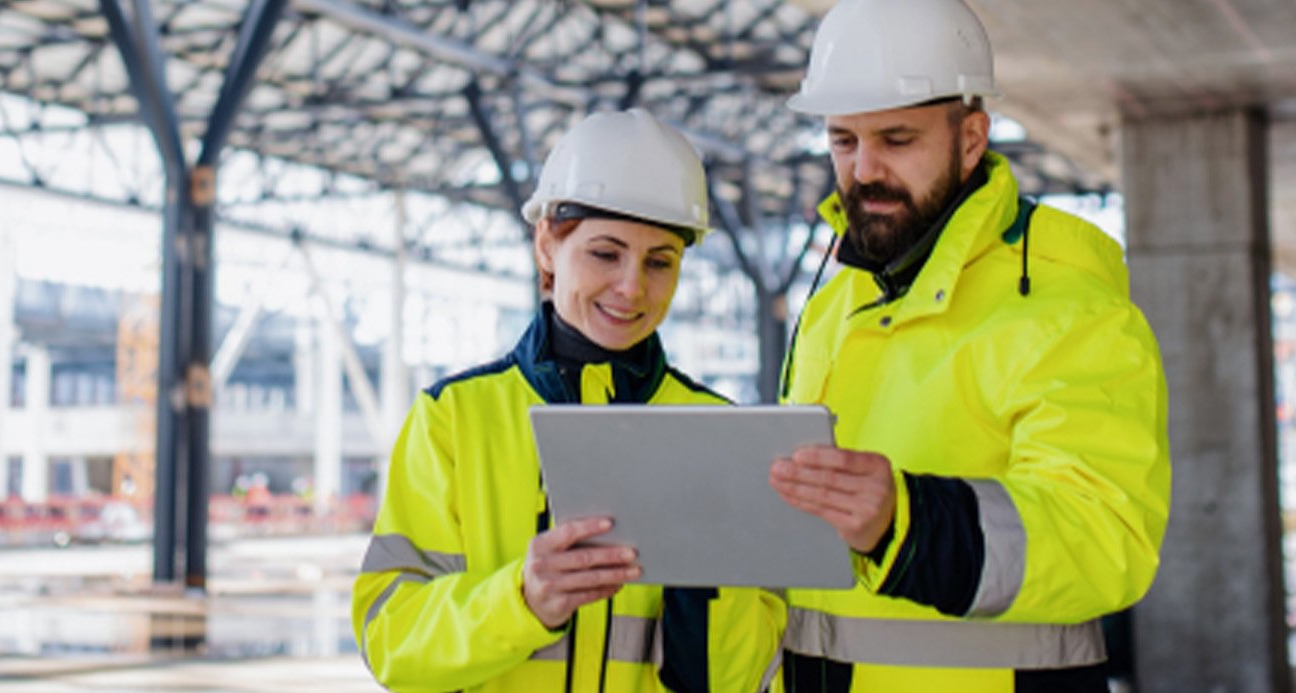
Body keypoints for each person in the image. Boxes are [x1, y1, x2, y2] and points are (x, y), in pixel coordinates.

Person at [763, 0, 1173, 689]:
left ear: (973, 138)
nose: (864, 170)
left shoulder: (1069, 311)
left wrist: (907, 522)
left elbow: (1104, 544)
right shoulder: (832, 308)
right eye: (843, 141)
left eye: (897, 139)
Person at [353, 109, 784, 693]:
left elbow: (746, 678)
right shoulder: (454, 419)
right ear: (546, 246)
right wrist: (520, 601)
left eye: (660, 262)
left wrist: (709, 578)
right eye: (605, 253)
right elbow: (392, 643)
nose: (632, 287)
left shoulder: (719, 434)